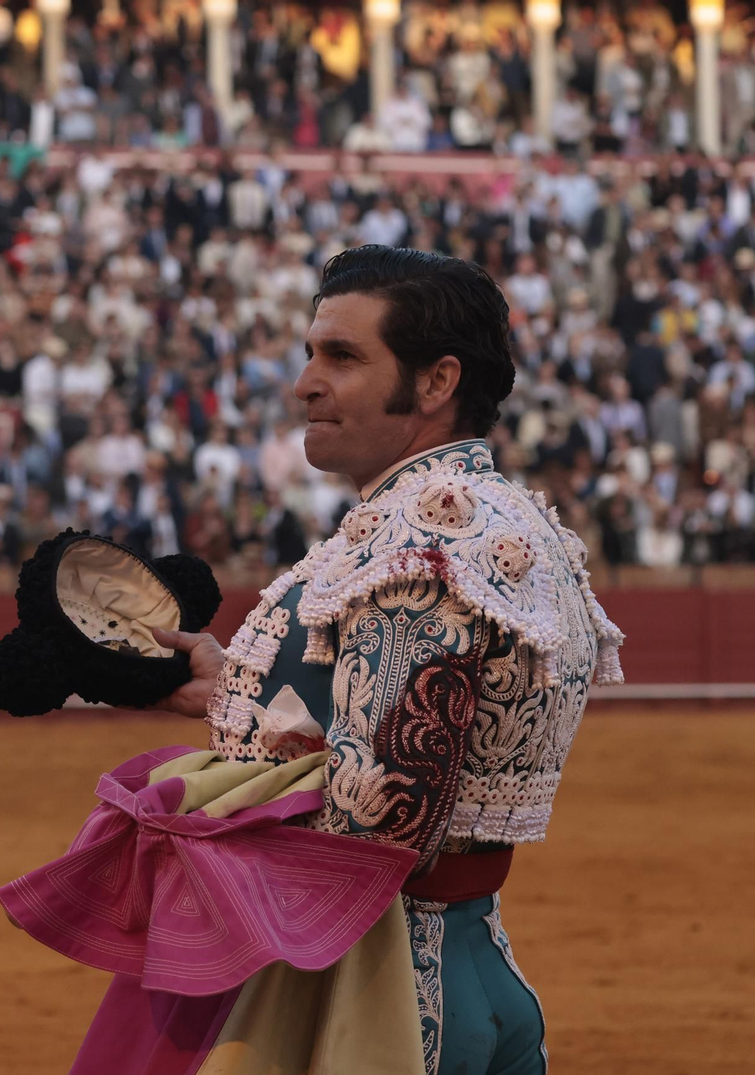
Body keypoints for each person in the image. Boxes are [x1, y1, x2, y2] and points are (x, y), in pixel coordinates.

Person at [148, 247, 625, 1075]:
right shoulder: (505, 516)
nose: (305, 383)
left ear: (437, 383)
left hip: (384, 1000)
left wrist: (208, 816)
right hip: (470, 960)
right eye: (310, 353)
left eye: (342, 356)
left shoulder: (422, 541)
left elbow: (378, 820)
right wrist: (237, 692)